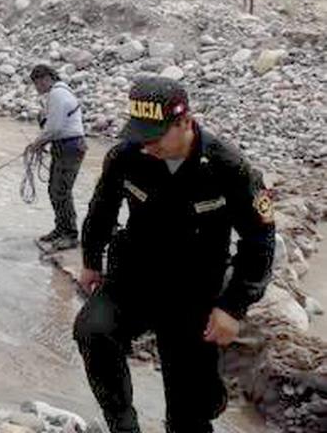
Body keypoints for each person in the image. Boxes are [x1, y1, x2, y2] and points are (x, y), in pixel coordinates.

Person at [73, 77, 275, 433]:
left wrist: (232, 307)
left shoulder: (228, 167)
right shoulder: (127, 155)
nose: (147, 146)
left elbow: (259, 241)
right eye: (140, 136)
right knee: (92, 330)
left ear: (185, 122)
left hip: (193, 290)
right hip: (133, 276)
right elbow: (102, 209)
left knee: (189, 412)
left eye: (155, 137)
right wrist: (91, 261)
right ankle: (122, 425)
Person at [27, 64, 87, 253]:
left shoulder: (57, 94)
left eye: (37, 84)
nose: (37, 89)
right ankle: (61, 228)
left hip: (69, 146)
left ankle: (69, 234)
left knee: (61, 191)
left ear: (45, 79)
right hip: (64, 145)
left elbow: (54, 127)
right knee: (55, 189)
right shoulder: (60, 93)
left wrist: (37, 143)